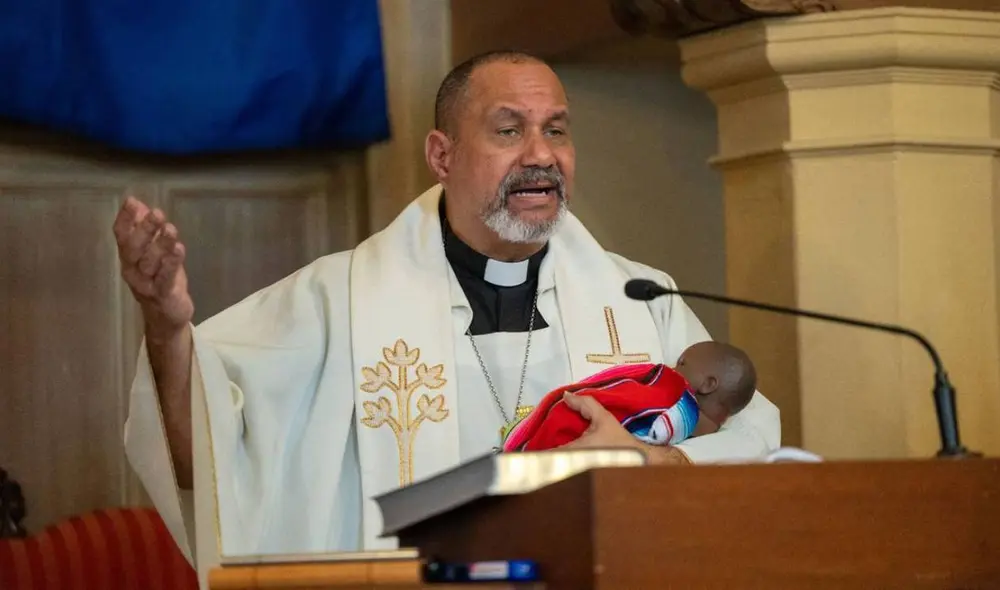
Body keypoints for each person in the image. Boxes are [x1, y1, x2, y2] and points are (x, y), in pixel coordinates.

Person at [115, 50, 781, 583]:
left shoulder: (641, 300)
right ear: (442, 156)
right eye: (508, 129)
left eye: (556, 130)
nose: (542, 155)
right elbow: (206, 453)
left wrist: (652, 463)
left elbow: (758, 439)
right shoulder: (336, 301)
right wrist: (168, 326)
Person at [501, 341, 758, 452]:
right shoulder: (691, 415)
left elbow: (653, 434)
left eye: (682, 363)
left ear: (708, 384)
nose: (672, 369)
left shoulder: (685, 409)